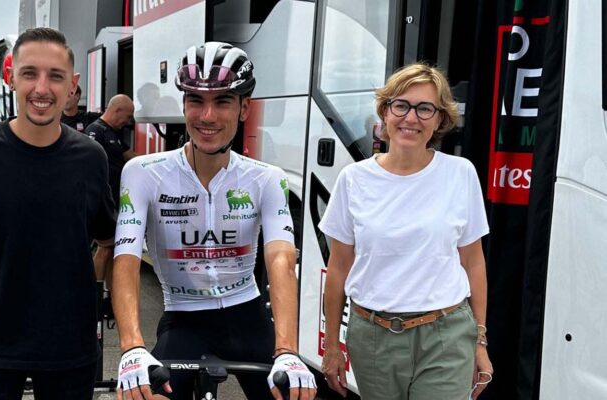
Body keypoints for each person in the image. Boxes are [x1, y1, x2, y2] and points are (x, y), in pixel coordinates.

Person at [112, 42, 316, 400]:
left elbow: (281, 260)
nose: (207, 116)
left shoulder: (266, 178)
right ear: (184, 105)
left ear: (243, 108)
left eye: (222, 101)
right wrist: (131, 347)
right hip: (183, 316)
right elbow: (126, 260)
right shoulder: (143, 173)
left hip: (247, 315)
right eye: (196, 101)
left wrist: (287, 350)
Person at [0, 28, 116, 400]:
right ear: (11, 77)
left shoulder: (90, 158)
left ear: (72, 85)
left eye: (55, 76)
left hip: (69, 353)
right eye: (30, 73)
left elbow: (108, 240)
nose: (42, 88)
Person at [320, 63, 493, 400]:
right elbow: (339, 267)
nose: (411, 118)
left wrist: (480, 340)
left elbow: (473, 261)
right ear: (385, 111)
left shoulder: (460, 174)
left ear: (440, 119)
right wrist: (331, 347)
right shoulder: (353, 180)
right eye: (401, 105)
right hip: (373, 338)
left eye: (425, 108)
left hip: (445, 334)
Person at [84, 94, 136, 310]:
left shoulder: (114, 134)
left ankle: (111, 298)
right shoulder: (94, 132)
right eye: (128, 115)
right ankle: (93, 296)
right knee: (105, 248)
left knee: (114, 249)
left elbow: (130, 156)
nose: (129, 120)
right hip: (100, 200)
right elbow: (88, 167)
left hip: (116, 200)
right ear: (117, 111)